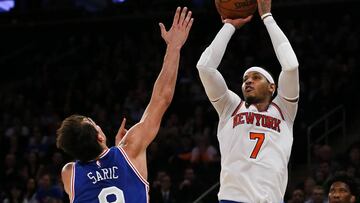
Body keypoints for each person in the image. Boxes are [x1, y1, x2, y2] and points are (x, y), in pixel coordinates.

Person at [56, 7, 193, 203]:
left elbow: (98, 174)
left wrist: (117, 148)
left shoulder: (69, 173)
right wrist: (174, 47)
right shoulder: (131, 148)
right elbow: (162, 98)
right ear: (100, 135)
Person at [196, 0, 299, 201]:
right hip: (232, 199)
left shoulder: (284, 109)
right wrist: (229, 26)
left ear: (272, 87)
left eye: (256, 78)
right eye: (245, 79)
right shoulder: (231, 106)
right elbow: (205, 68)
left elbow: (291, 66)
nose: (248, 81)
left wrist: (267, 18)